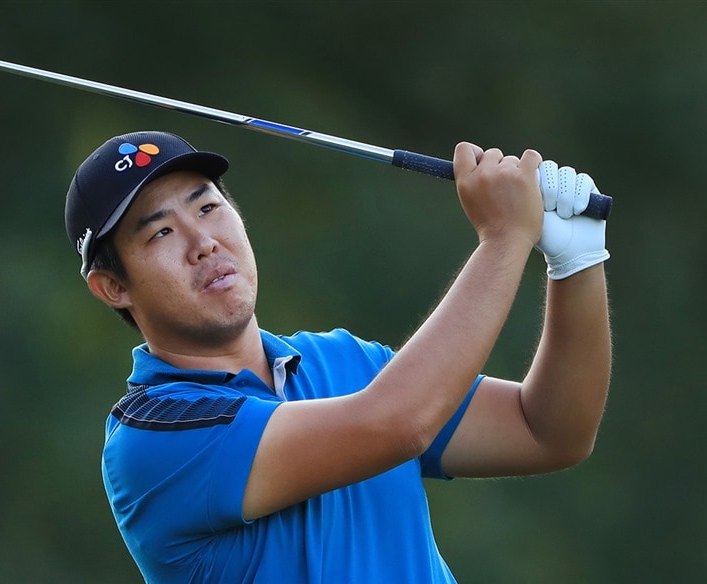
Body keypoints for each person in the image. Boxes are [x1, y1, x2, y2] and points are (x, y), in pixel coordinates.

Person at [64, 130, 611, 583]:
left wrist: (576, 262)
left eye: (208, 206)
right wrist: (502, 238)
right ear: (113, 286)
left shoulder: (345, 362)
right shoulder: (154, 439)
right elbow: (397, 422)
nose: (202, 240)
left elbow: (547, 432)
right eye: (161, 231)